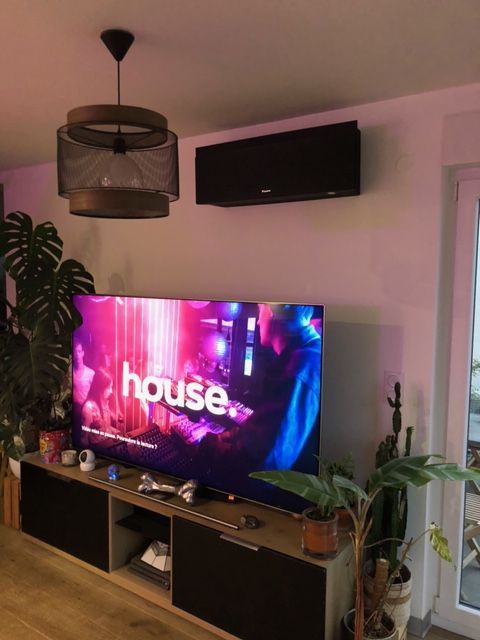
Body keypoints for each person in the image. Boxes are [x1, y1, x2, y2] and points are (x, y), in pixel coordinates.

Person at [200, 303, 321, 473]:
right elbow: (267, 431)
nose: (258, 321)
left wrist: (214, 452)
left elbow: (267, 468)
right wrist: (235, 435)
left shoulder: (301, 368)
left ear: (273, 311)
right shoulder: (303, 355)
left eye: (260, 309)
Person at [81, 368, 121, 447]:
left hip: (110, 441)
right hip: (99, 446)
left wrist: (118, 433)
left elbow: (105, 427)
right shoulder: (89, 407)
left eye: (111, 387)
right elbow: (84, 438)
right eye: (108, 388)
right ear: (100, 388)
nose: (111, 391)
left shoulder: (105, 402)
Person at [72, 338, 95, 409]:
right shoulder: (70, 371)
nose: (77, 354)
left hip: (84, 408)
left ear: (83, 353)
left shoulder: (91, 373)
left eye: (79, 351)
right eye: (75, 352)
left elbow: (94, 394)